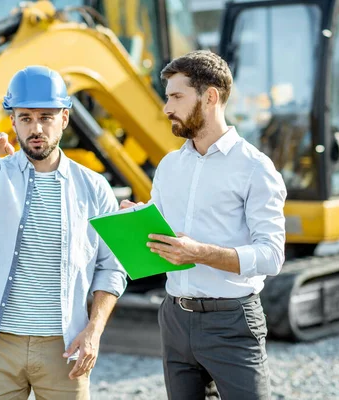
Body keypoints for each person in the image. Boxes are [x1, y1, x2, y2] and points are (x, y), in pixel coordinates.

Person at [0, 65, 127, 400]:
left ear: (65, 118)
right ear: (12, 121)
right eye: (25, 118)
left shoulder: (94, 186)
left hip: (64, 345)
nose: (36, 127)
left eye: (46, 116)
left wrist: (94, 332)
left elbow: (112, 266)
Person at [122, 50, 287, 399]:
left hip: (232, 321)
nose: (167, 108)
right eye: (168, 97)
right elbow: (164, 232)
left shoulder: (255, 168)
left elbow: (271, 256)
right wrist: (138, 219)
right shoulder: (169, 166)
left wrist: (199, 253)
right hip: (174, 320)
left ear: (210, 96)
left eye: (177, 97)